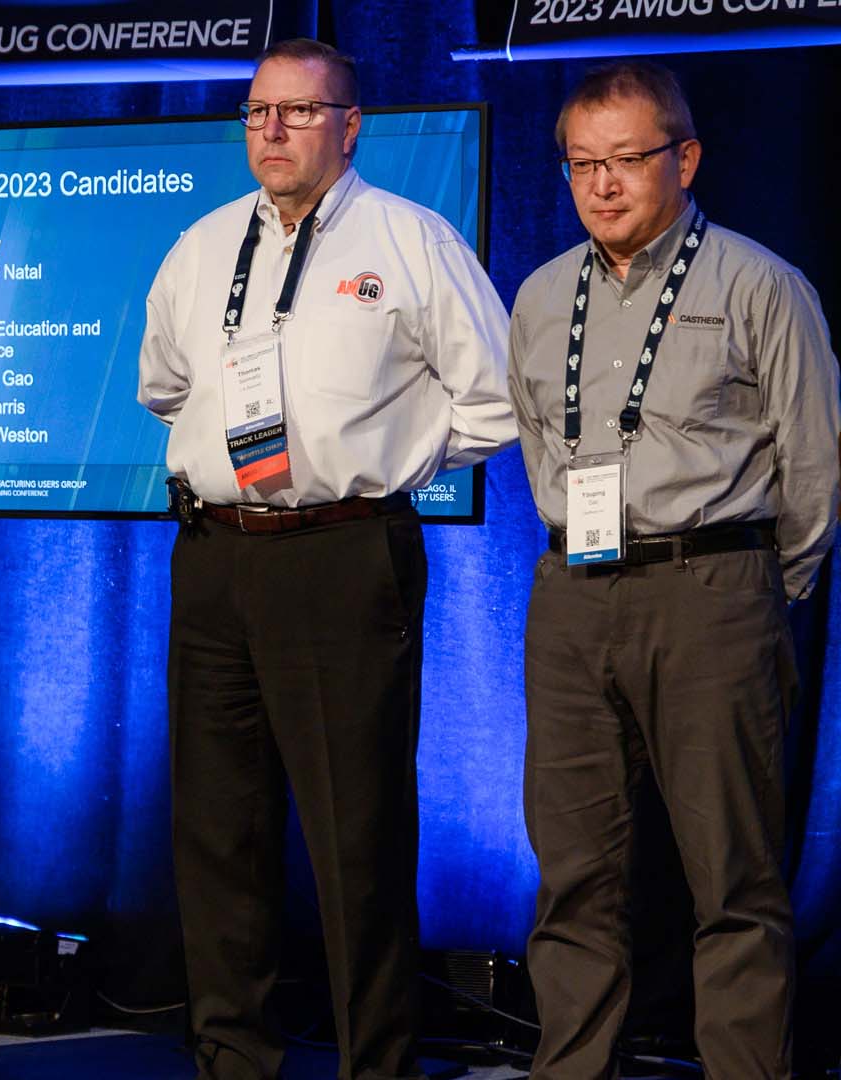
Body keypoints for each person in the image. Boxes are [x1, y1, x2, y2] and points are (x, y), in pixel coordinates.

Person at [136, 37, 516, 1079]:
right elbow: (164, 385)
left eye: (299, 112)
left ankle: (376, 1066)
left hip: (345, 555)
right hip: (215, 556)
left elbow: (495, 398)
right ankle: (233, 1061)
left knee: (358, 836)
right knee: (218, 833)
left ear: (351, 127)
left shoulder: (411, 239)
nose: (272, 130)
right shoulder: (203, 243)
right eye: (258, 111)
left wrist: (392, 460)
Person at [508, 61, 837, 1079]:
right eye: (582, 164)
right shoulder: (541, 295)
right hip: (572, 598)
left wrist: (755, 594)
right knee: (574, 878)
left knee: (732, 882)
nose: (602, 185)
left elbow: (814, 470)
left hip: (711, 597)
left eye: (627, 159)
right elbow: (538, 446)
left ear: (684, 160)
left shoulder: (759, 284)